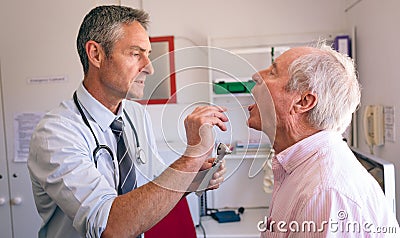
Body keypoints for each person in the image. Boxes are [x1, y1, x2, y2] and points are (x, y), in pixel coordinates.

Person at [27, 5, 227, 238]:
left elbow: (148, 192)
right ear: (96, 55)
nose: (150, 68)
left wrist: (192, 179)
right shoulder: (55, 134)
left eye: (148, 55)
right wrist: (190, 159)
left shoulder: (136, 115)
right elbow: (110, 227)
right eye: (135, 54)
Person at [247, 43, 400, 237]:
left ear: (303, 102)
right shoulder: (303, 171)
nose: (257, 75)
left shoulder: (325, 193)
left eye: (273, 72)